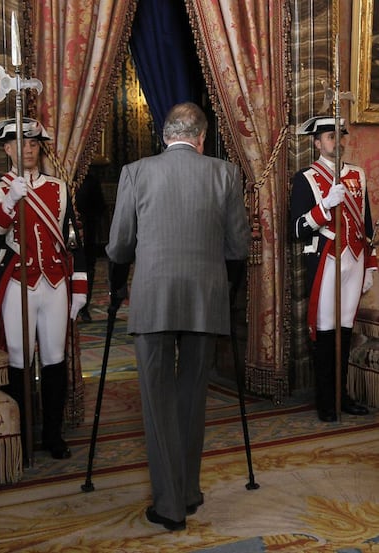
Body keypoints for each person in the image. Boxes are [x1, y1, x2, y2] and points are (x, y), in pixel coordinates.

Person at [106, 102, 250, 531]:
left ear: (165, 136)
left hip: (153, 299)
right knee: (192, 397)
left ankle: (169, 505)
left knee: (157, 400)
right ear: (201, 138)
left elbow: (118, 247)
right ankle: (187, 492)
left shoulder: (135, 172)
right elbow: (238, 247)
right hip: (206, 299)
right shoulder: (225, 173)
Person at [0, 117, 88, 461]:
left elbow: (73, 240)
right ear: (7, 149)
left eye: (33, 143)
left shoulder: (59, 187)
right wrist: (9, 202)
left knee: (54, 359)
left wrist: (80, 286)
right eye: (21, 144)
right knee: (20, 361)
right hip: (16, 285)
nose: (28, 149)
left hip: (55, 284)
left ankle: (52, 434)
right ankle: (24, 433)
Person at [291, 116, 377, 422]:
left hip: (354, 260)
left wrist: (370, 266)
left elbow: (367, 226)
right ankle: (326, 400)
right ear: (316, 143)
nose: (336, 141)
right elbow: (298, 229)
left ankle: (343, 396)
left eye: (340, 135)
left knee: (345, 329)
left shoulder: (357, 175)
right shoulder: (306, 179)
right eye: (329, 136)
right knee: (326, 331)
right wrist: (324, 206)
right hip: (326, 260)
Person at [75, 170, 105, 322]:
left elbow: (100, 208)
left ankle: (84, 307)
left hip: (87, 233)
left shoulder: (90, 180)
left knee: (87, 269)